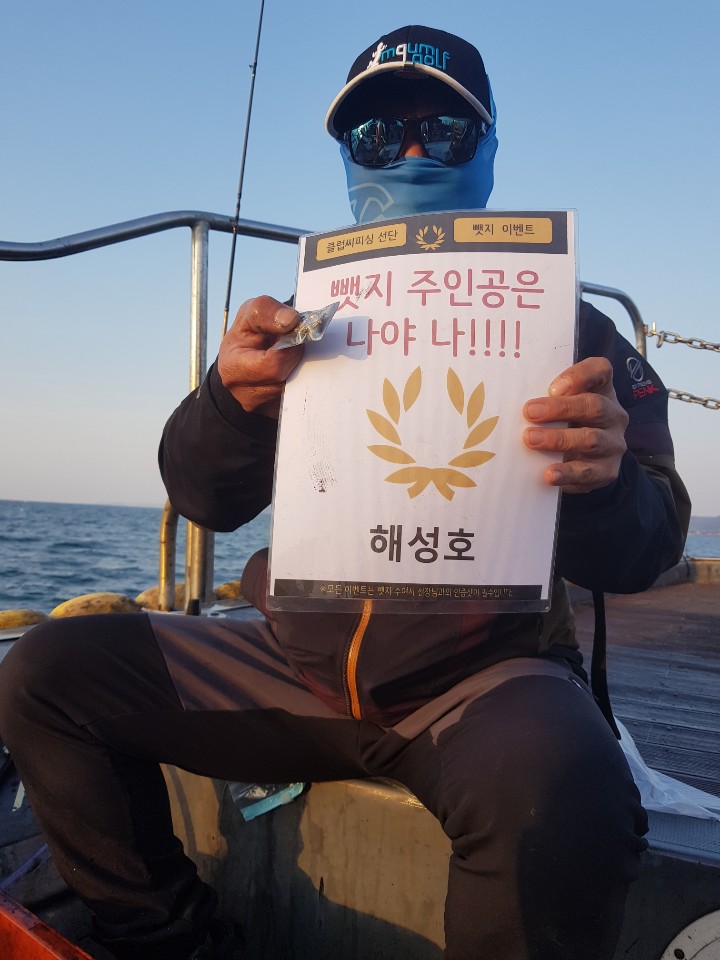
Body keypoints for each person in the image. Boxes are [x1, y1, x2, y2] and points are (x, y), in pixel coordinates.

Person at [0, 24, 690, 960]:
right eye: (375, 135)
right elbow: (202, 496)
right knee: (46, 672)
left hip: (482, 682)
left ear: (489, 147)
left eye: (442, 129)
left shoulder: (580, 334)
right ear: (345, 157)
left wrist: (606, 483)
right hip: (293, 664)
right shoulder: (302, 323)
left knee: (562, 786)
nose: (409, 154)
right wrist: (229, 401)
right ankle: (174, 945)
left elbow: (649, 549)